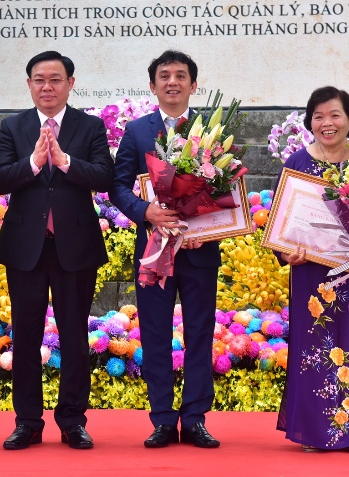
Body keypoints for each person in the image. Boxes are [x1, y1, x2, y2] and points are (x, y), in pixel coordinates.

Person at [0, 50, 114, 450]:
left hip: (74, 248)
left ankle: (72, 421)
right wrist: (32, 162)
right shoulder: (13, 126)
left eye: (55, 79)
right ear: (29, 84)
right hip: (26, 248)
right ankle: (27, 422)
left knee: (75, 336)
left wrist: (65, 162)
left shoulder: (89, 126)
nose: (47, 86)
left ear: (70, 83)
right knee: (26, 337)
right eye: (39, 80)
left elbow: (105, 177)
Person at [110, 50, 221, 449]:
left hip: (199, 251)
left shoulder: (213, 129)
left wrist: (209, 221)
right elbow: (118, 185)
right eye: (164, 76)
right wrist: (146, 211)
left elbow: (226, 186)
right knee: (155, 333)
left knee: (200, 333)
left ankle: (194, 419)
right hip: (155, 251)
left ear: (194, 84)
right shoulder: (138, 131)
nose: (172, 82)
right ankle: (161, 419)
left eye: (180, 75)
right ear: (152, 85)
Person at [275, 86, 349, 454]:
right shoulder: (296, 164)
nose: (327, 123)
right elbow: (281, 222)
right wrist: (286, 252)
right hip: (311, 273)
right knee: (316, 345)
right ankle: (314, 431)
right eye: (318, 116)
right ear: (310, 122)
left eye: (335, 115)